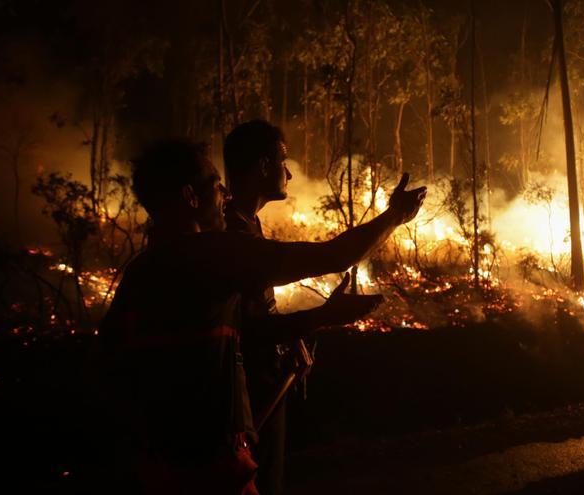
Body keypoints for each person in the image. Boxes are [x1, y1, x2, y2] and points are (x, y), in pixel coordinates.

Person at [96, 138, 426, 494]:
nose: (224, 192)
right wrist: (395, 216)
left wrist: (318, 318)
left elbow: (110, 365)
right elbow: (333, 257)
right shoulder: (213, 254)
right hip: (212, 463)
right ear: (190, 196)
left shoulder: (141, 271)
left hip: (157, 462)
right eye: (213, 183)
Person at [222, 120, 329, 494]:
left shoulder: (247, 224)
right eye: (283, 161)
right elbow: (245, 327)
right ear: (263, 167)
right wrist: (318, 318)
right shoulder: (231, 234)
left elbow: (254, 308)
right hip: (247, 395)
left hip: (264, 383)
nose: (289, 173)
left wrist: (288, 340)